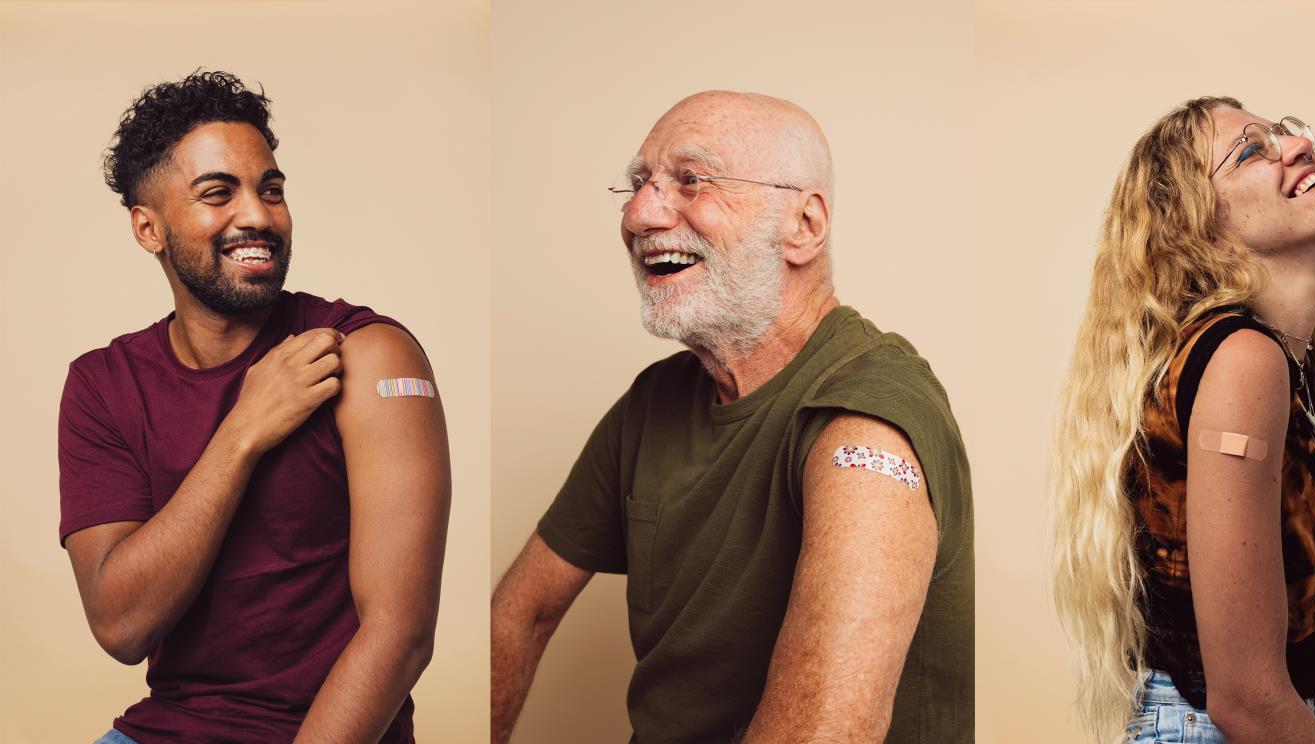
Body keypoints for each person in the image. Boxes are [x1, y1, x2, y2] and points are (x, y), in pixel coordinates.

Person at [487, 91, 973, 743]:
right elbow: (519, 615)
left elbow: (822, 732)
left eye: (691, 181)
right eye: (638, 184)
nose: (638, 214)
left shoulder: (868, 419)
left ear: (802, 225)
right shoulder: (652, 403)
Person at [59, 70, 450, 743]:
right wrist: (242, 432)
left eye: (271, 191)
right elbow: (122, 626)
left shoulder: (368, 354)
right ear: (148, 229)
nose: (259, 216)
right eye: (219, 193)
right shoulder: (102, 384)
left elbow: (401, 636)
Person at [1051, 97, 1315, 744]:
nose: (1295, 147)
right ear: (1197, 228)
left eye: (1282, 132)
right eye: (1251, 151)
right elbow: (1245, 698)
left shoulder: (1297, 367)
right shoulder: (1243, 361)